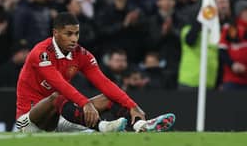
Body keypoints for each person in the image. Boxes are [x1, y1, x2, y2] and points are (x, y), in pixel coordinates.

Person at [16, 12, 175, 133]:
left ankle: (141, 125)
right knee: (57, 96)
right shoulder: (41, 53)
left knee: (108, 97)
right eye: (68, 34)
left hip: (61, 117)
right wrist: (85, 103)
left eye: (76, 34)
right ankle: (102, 126)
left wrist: (132, 105)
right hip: (28, 121)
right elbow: (60, 84)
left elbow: (104, 83)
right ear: (56, 33)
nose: (74, 39)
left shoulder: (81, 54)